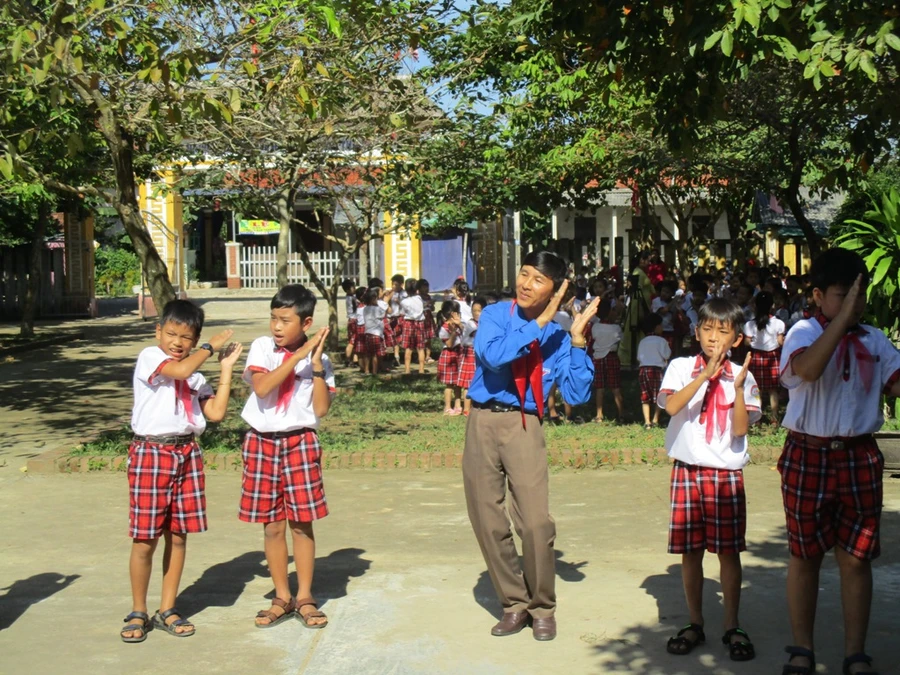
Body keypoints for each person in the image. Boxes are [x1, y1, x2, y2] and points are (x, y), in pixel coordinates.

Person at [463, 251, 599, 642]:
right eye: (524, 274)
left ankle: (543, 607)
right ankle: (514, 604)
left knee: (536, 522)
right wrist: (538, 323)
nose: (526, 284)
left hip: (524, 424)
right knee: (487, 519)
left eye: (538, 280)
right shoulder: (494, 315)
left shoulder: (557, 335)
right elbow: (493, 357)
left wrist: (575, 341)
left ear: (555, 291)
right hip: (483, 421)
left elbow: (576, 393)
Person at [777, 249, 900, 675]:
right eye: (842, 294)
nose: (854, 303)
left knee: (856, 558)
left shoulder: (875, 339)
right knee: (805, 555)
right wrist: (841, 322)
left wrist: (853, 322)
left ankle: (855, 653)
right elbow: (807, 371)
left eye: (859, 294)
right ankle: (802, 649)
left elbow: (896, 383)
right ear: (817, 295)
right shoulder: (802, 332)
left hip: (859, 456)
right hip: (808, 454)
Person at [121, 300, 241, 643]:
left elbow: (215, 412)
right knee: (145, 537)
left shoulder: (196, 375)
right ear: (158, 331)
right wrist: (209, 346)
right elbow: (179, 371)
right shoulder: (150, 357)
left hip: (186, 452)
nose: (177, 342)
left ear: (194, 338)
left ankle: (168, 607)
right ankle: (138, 610)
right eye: (171, 334)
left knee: (178, 534)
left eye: (186, 337)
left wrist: (227, 367)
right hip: (151, 453)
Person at [658, 298, 761, 662]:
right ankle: (695, 622)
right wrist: (704, 375)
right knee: (691, 552)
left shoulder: (742, 376)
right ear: (696, 331)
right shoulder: (682, 367)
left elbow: (739, 428)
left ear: (736, 338)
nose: (713, 337)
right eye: (707, 329)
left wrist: (735, 389)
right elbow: (671, 407)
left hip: (725, 475)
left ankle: (732, 624)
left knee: (729, 553)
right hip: (687, 470)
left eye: (723, 331)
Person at [239, 285, 335, 630]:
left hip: (301, 443)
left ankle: (305, 595)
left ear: (306, 322)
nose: (276, 327)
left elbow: (321, 408)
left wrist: (316, 365)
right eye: (273, 318)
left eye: (284, 320)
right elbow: (263, 388)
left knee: (301, 522)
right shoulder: (263, 348)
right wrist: (296, 358)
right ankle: (281, 595)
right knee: (273, 524)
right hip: (262, 443)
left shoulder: (319, 361)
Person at [743, 291, 785, 423]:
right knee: (773, 389)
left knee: (758, 389)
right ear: (772, 305)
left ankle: (757, 418)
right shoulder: (778, 323)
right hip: (773, 356)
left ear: (755, 306)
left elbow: (747, 342)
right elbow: (780, 342)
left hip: (757, 356)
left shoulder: (749, 324)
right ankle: (774, 417)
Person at [591, 299, 624, 423]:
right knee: (615, 387)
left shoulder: (596, 327)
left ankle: (599, 415)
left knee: (600, 387)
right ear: (610, 312)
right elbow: (621, 339)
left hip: (598, 357)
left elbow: (594, 338)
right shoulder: (616, 328)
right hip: (612, 356)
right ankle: (621, 414)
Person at [620, 251, 655, 368]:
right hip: (638, 306)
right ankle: (630, 359)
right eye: (645, 259)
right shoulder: (637, 272)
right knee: (634, 332)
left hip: (643, 305)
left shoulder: (641, 272)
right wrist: (641, 310)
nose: (647, 262)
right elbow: (636, 293)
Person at [637, 313, 671, 429]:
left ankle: (647, 421)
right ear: (656, 327)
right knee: (659, 395)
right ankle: (655, 419)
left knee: (645, 395)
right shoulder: (661, 341)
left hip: (643, 370)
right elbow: (667, 354)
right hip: (656, 370)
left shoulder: (643, 341)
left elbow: (638, 357)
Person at [457, 296, 484, 416]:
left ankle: (475, 405)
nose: (476, 313)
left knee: (477, 381)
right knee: (468, 383)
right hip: (470, 353)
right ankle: (466, 408)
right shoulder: (471, 324)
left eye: (479, 310)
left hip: (479, 354)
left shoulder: (484, 323)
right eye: (474, 311)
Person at [437, 300, 464, 415]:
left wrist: (460, 325)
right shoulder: (444, 328)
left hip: (459, 355)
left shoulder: (460, 325)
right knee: (449, 384)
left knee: (458, 383)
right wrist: (453, 332)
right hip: (449, 355)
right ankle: (447, 407)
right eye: (455, 313)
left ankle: (458, 405)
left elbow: (466, 334)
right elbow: (449, 344)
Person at [400, 278, 428, 374]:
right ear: (417, 290)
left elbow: (403, 311)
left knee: (408, 348)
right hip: (420, 323)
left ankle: (407, 369)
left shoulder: (404, 301)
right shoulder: (420, 298)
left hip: (409, 323)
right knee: (420, 348)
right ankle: (421, 369)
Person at [362, 287, 388, 375]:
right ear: (373, 299)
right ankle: (374, 371)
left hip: (368, 333)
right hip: (376, 334)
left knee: (368, 353)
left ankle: (366, 370)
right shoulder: (377, 309)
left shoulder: (365, 309)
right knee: (375, 354)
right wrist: (383, 303)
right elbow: (383, 313)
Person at [388, 274, 407, 364]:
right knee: (395, 337)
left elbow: (406, 306)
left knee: (403, 337)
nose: (393, 286)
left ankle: (407, 357)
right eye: (392, 284)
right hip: (393, 317)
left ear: (401, 284)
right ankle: (396, 357)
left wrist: (399, 302)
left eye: (395, 284)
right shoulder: (392, 293)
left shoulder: (405, 294)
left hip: (402, 317)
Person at [341, 278, 357, 368]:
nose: (354, 289)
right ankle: (347, 359)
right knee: (352, 341)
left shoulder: (349, 297)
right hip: (353, 320)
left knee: (354, 341)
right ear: (347, 289)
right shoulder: (351, 298)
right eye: (352, 287)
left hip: (351, 320)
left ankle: (354, 360)